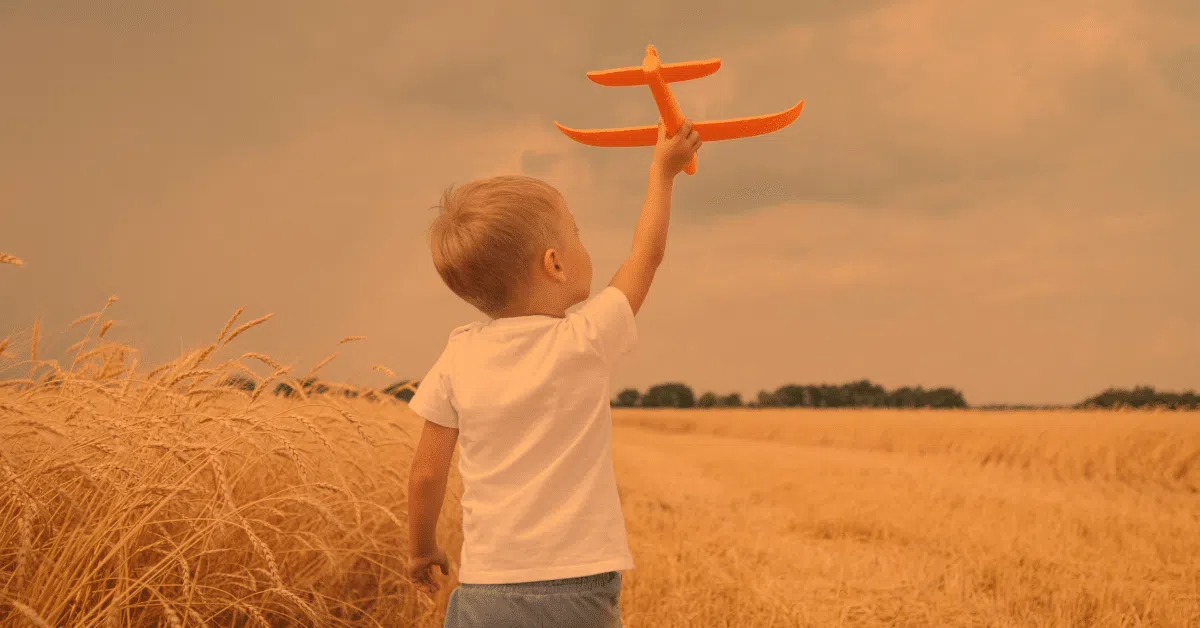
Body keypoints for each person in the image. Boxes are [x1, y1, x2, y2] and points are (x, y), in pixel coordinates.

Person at [405, 119, 702, 628]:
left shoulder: (458, 356)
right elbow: (645, 258)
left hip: (487, 584)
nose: (586, 247)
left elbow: (428, 472)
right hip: (578, 584)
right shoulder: (584, 340)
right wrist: (662, 173)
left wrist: (422, 548)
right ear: (555, 265)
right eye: (578, 236)